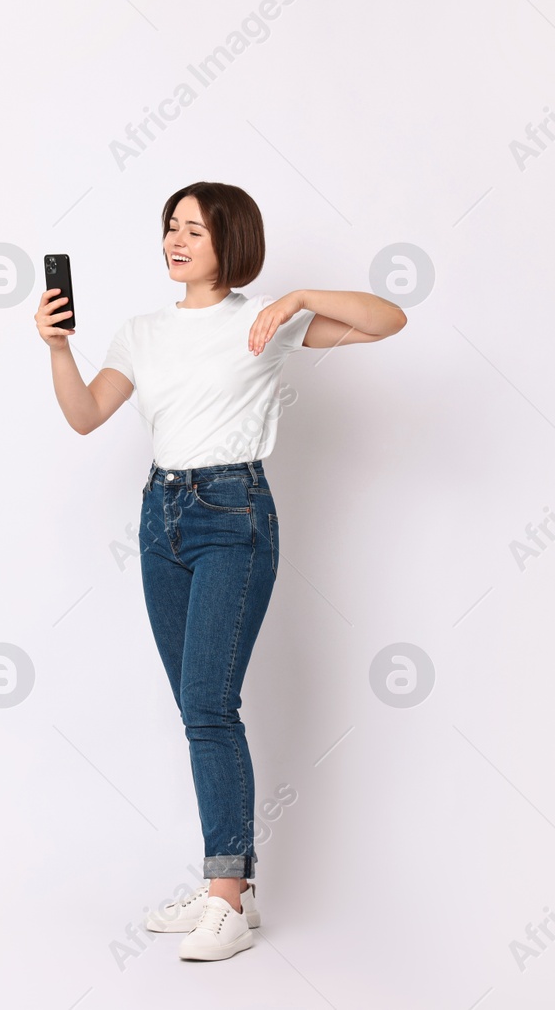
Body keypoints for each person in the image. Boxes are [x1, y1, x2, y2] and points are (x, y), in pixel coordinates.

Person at [36, 180, 406, 961]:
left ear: (229, 242)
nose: (176, 241)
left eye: (194, 231)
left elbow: (389, 320)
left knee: (209, 704)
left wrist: (297, 296)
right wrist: (58, 346)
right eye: (171, 227)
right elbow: (84, 413)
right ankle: (229, 888)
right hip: (160, 518)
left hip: (233, 514)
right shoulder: (142, 331)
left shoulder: (264, 321)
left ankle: (226, 898)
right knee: (195, 706)